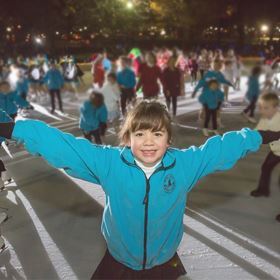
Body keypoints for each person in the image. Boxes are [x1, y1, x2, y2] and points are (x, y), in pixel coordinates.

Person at [0, 100, 279, 278]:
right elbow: (64, 146)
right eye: (140, 133)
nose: (148, 142)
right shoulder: (111, 162)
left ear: (169, 139)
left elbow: (220, 147)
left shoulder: (184, 165)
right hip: (119, 258)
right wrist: (14, 129)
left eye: (157, 133)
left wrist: (262, 136)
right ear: (127, 138)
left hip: (163, 260)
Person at [250, 93, 280, 221]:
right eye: (261, 107)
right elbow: (256, 133)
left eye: (266, 107)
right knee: (265, 167)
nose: (262, 110)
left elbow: (269, 135)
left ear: (276, 108)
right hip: (276, 151)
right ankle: (263, 189)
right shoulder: (264, 119)